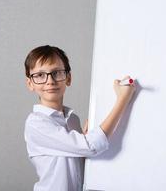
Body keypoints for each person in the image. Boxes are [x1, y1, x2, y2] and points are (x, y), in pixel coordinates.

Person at [24, 45, 135, 191]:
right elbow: (91, 146)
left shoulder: (72, 119)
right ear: (30, 83)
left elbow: (76, 157)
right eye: (39, 75)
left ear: (68, 78)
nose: (50, 81)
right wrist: (123, 99)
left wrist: (82, 140)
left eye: (57, 72)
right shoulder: (36, 124)